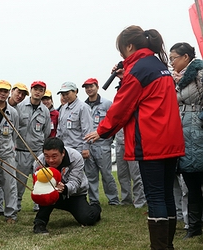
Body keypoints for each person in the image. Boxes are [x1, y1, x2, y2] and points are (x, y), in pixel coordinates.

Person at [84, 25, 185, 249]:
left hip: (151, 141)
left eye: (121, 48)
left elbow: (122, 107)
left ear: (129, 46)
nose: (121, 53)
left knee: (155, 196)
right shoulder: (158, 65)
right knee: (167, 194)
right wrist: (125, 76)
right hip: (171, 139)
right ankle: (167, 245)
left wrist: (101, 131)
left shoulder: (138, 70)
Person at [169, 42, 203, 239]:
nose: (172, 62)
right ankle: (194, 226)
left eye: (174, 57)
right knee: (190, 183)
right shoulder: (175, 80)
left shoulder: (199, 74)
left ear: (186, 58)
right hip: (184, 135)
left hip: (198, 132)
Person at [33, 137, 101, 234]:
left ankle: (95, 208)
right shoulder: (39, 161)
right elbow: (38, 185)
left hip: (75, 195)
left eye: (54, 156)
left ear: (63, 153)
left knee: (87, 219)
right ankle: (39, 223)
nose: (50, 160)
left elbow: (76, 182)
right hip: (52, 194)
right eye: (47, 156)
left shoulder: (76, 157)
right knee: (46, 195)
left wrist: (65, 188)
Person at [82, 78, 119, 205]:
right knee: (91, 176)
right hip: (89, 145)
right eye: (86, 87)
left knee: (106, 174)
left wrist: (108, 138)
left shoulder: (107, 104)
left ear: (97, 87)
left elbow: (114, 123)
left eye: (91, 86)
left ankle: (113, 199)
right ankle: (94, 201)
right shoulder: (84, 105)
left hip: (102, 145)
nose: (89, 89)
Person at [15, 81, 51, 212]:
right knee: (20, 180)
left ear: (43, 92)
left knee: (39, 180)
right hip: (21, 150)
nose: (38, 92)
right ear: (31, 90)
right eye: (35, 89)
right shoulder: (20, 106)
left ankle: (38, 204)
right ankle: (17, 205)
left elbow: (46, 132)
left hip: (37, 152)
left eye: (41, 90)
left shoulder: (45, 111)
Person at [0, 80, 19, 223]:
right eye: (0, 90)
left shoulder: (13, 112)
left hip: (7, 153)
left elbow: (15, 133)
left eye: (5, 91)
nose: (2, 93)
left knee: (10, 184)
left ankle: (11, 214)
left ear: (9, 93)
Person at [56, 81, 92, 159]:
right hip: (64, 148)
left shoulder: (83, 107)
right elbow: (59, 129)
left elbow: (87, 129)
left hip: (78, 149)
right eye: (63, 94)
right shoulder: (63, 108)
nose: (65, 96)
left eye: (67, 93)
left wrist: (86, 147)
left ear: (75, 91)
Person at [115, 128, 146, 208]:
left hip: (132, 142)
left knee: (135, 174)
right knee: (122, 174)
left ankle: (139, 200)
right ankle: (126, 200)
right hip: (119, 143)